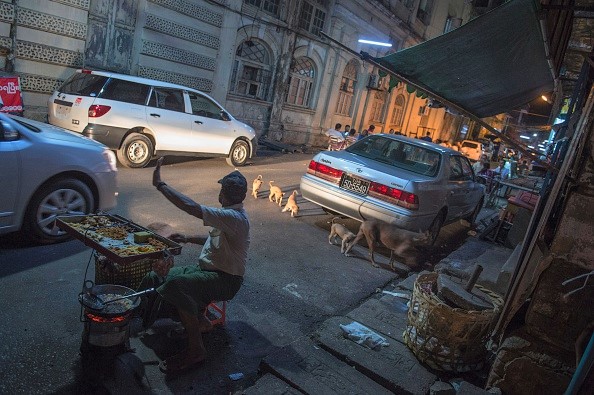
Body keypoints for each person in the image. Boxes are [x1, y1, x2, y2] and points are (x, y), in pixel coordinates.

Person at [140, 158, 250, 374]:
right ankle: (200, 322)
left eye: (223, 190)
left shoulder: (233, 217)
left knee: (175, 284)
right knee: (159, 277)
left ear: (222, 194)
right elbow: (213, 239)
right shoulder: (231, 217)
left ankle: (196, 350)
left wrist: (161, 185)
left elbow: (191, 207)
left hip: (226, 280)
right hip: (209, 272)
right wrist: (188, 237)